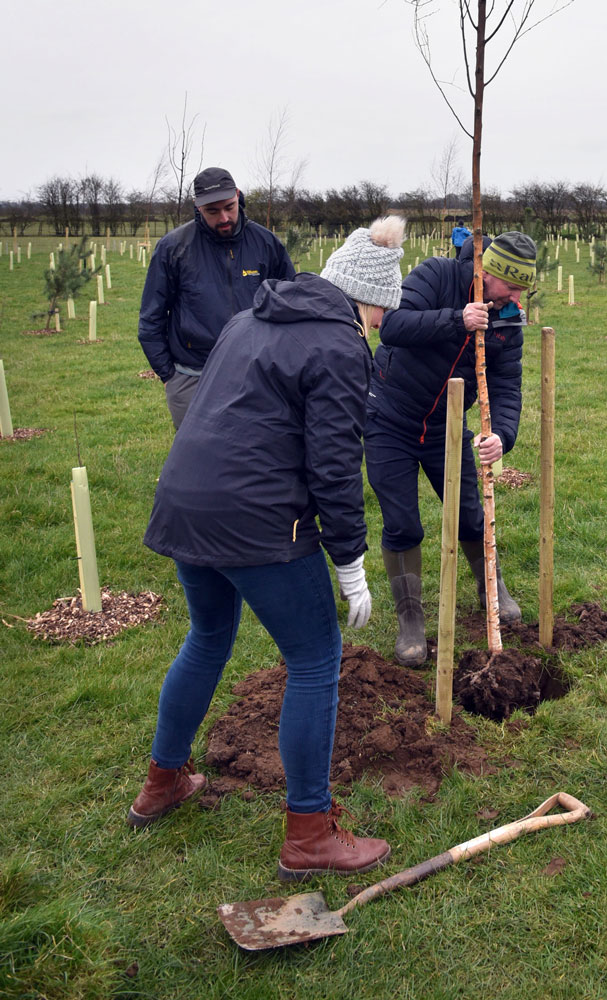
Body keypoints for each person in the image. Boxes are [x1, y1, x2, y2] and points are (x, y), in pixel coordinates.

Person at [128, 217, 407, 881]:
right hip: (252, 516)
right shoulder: (339, 344)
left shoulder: (249, 319)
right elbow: (334, 466)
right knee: (315, 658)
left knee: (207, 638)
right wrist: (350, 562)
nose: (378, 327)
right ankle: (310, 834)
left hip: (186, 502)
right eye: (380, 315)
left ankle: (162, 783)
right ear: (367, 301)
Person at [363, 231, 535, 666]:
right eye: (512, 286)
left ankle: (490, 586)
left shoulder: (508, 319)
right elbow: (392, 326)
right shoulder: (436, 275)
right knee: (402, 523)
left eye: (522, 290)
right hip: (390, 418)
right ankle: (410, 619)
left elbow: (506, 384)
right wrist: (457, 320)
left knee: (469, 513)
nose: (517, 298)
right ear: (489, 272)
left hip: (446, 426)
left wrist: (503, 434)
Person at [138, 166, 296, 429]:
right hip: (192, 379)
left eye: (229, 207)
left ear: (238, 196)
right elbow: (150, 318)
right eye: (212, 211)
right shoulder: (173, 248)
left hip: (255, 377)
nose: (224, 217)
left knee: (254, 451)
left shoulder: (266, 244)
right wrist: (169, 376)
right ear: (198, 207)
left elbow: (291, 306)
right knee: (197, 454)